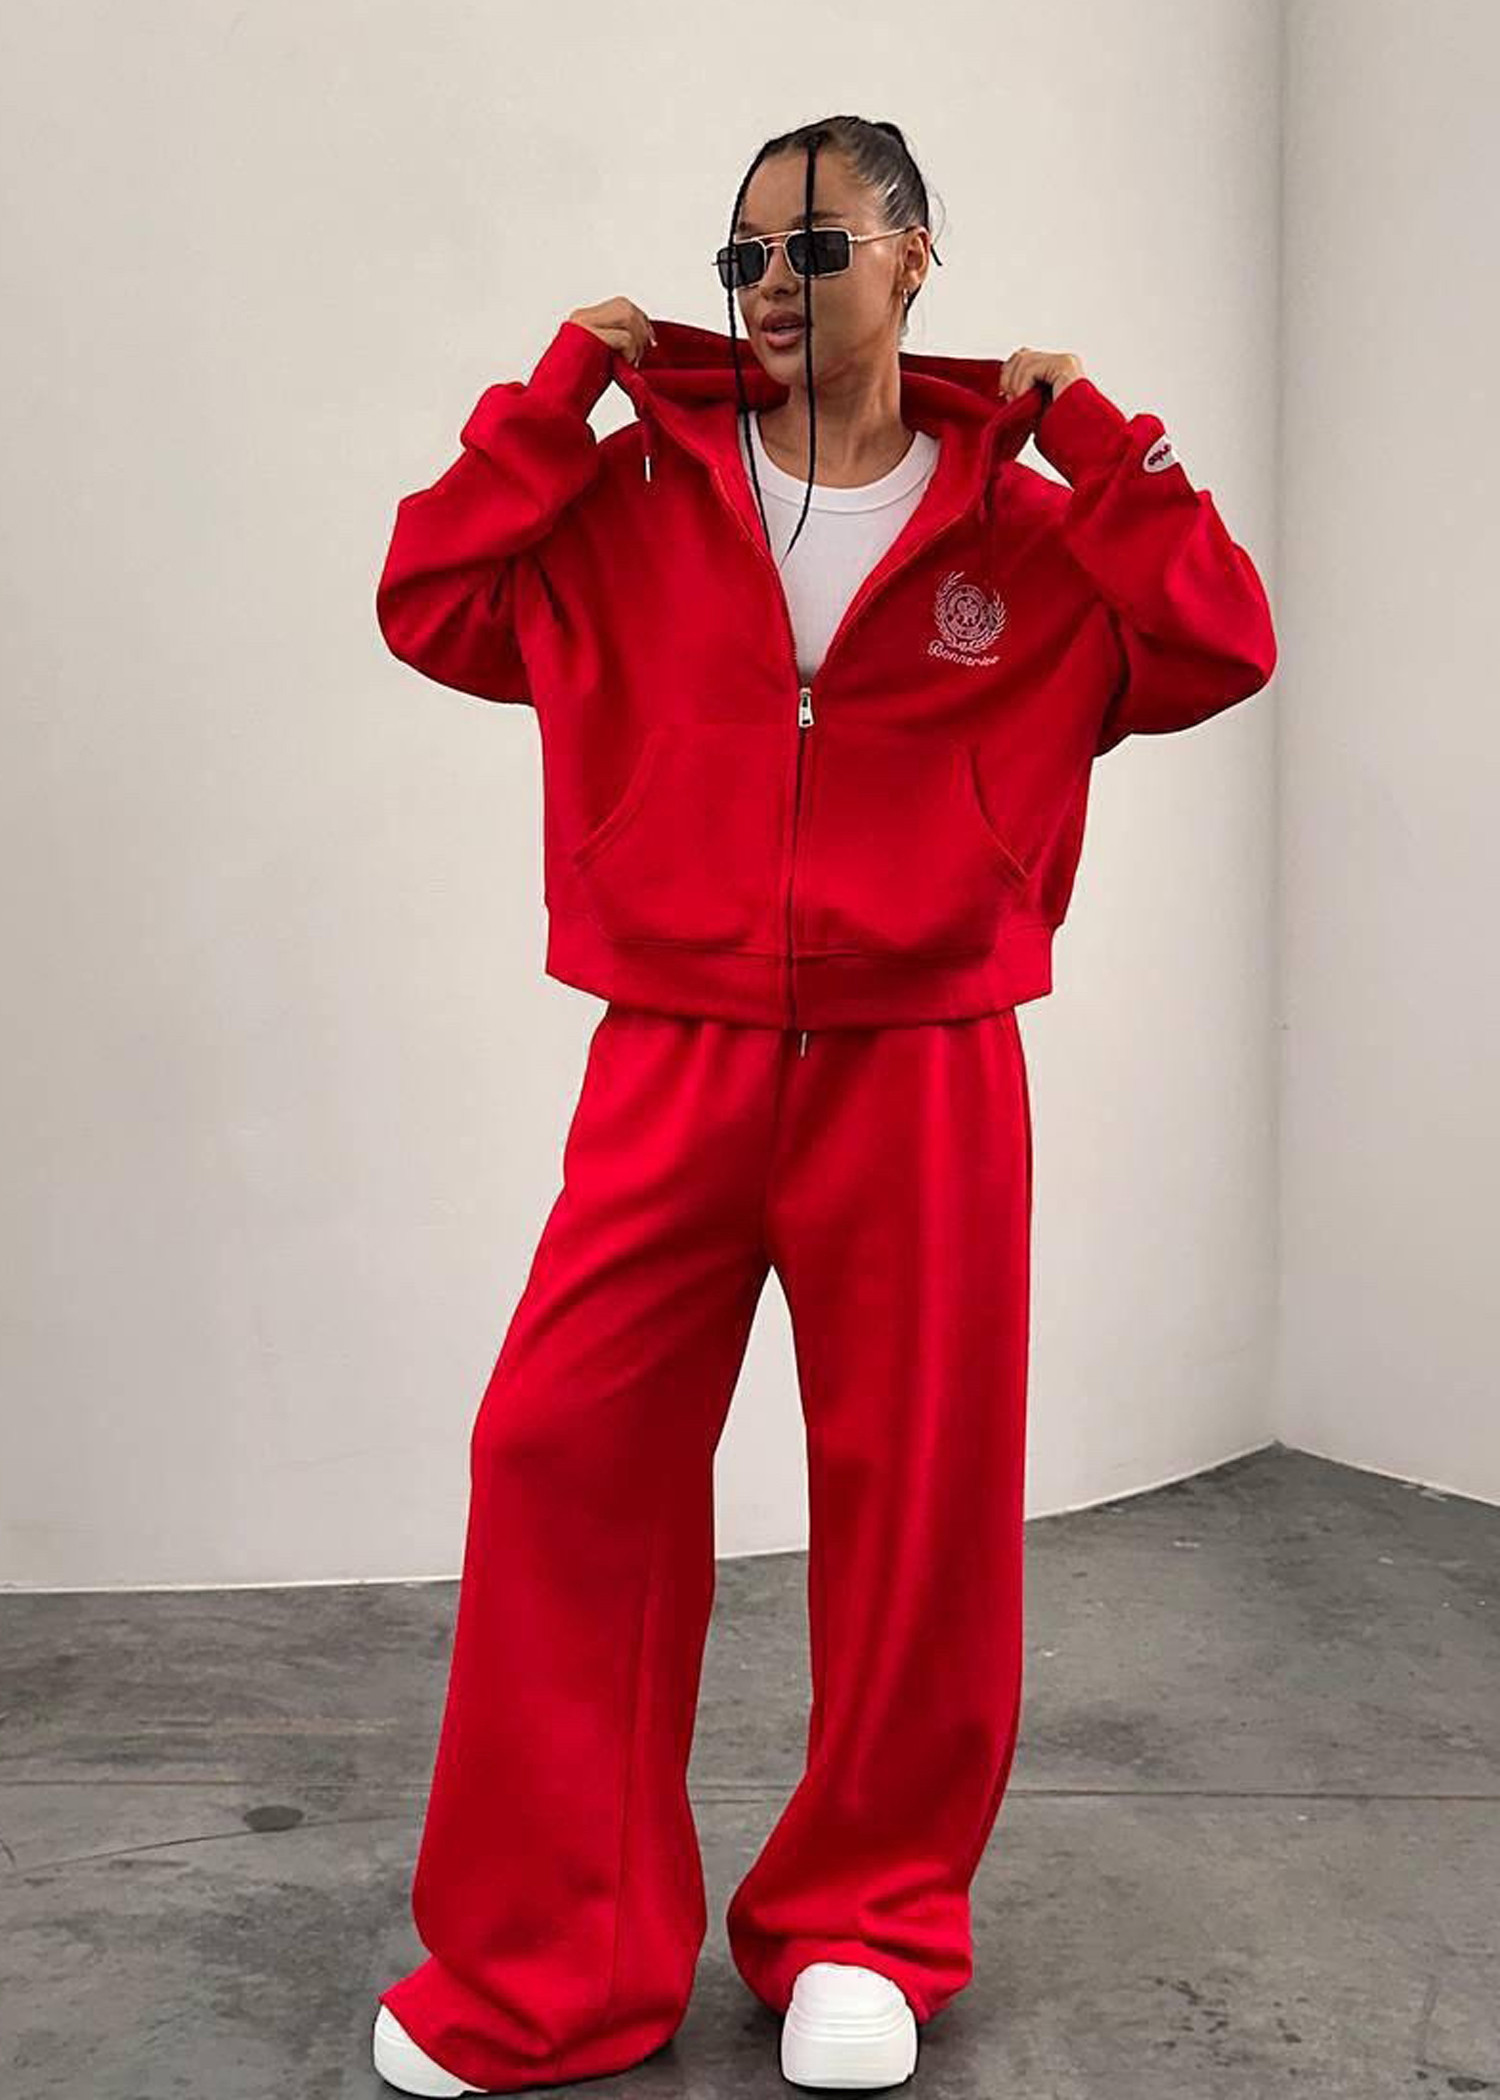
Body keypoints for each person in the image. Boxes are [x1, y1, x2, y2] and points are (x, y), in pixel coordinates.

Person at [368, 113, 1277, 2098]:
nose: (775, 286)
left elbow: (1219, 640)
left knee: (920, 1505)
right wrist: (558, 394)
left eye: (819, 248)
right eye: (746, 257)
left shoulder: (1025, 529)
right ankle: (553, 1959)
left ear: (916, 259)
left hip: (924, 1061)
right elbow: (430, 599)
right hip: (673, 1049)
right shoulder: (631, 496)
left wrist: (1100, 443)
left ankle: (869, 1923)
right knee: (561, 1462)